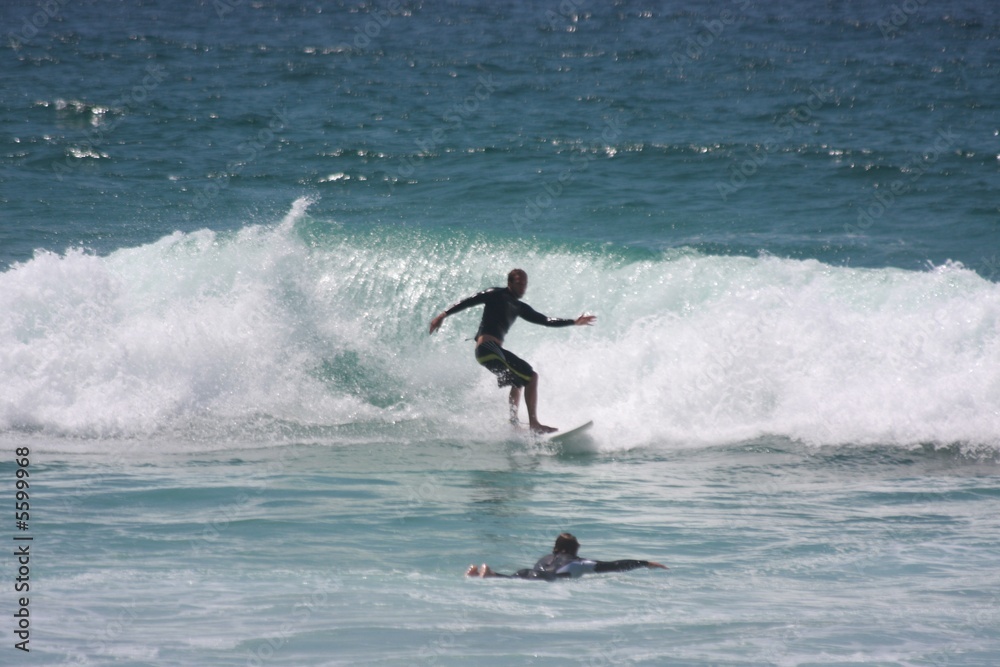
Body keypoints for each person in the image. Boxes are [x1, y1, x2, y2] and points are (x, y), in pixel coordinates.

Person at [428, 269, 595, 434]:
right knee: (531, 376)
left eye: (525, 284)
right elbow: (468, 301)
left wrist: (573, 322)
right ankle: (534, 424)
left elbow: (545, 320)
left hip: (491, 352)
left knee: (518, 380)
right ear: (509, 283)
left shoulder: (520, 307)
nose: (523, 287)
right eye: (519, 283)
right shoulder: (494, 294)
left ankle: (513, 424)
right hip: (487, 348)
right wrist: (443, 315)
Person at [465, 532, 668, 581]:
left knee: (514, 578)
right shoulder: (580, 562)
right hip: (546, 579)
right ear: (575, 548)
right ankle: (489, 574)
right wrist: (645, 563)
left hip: (530, 572)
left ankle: (486, 573)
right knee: (523, 580)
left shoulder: (546, 557)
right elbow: (615, 565)